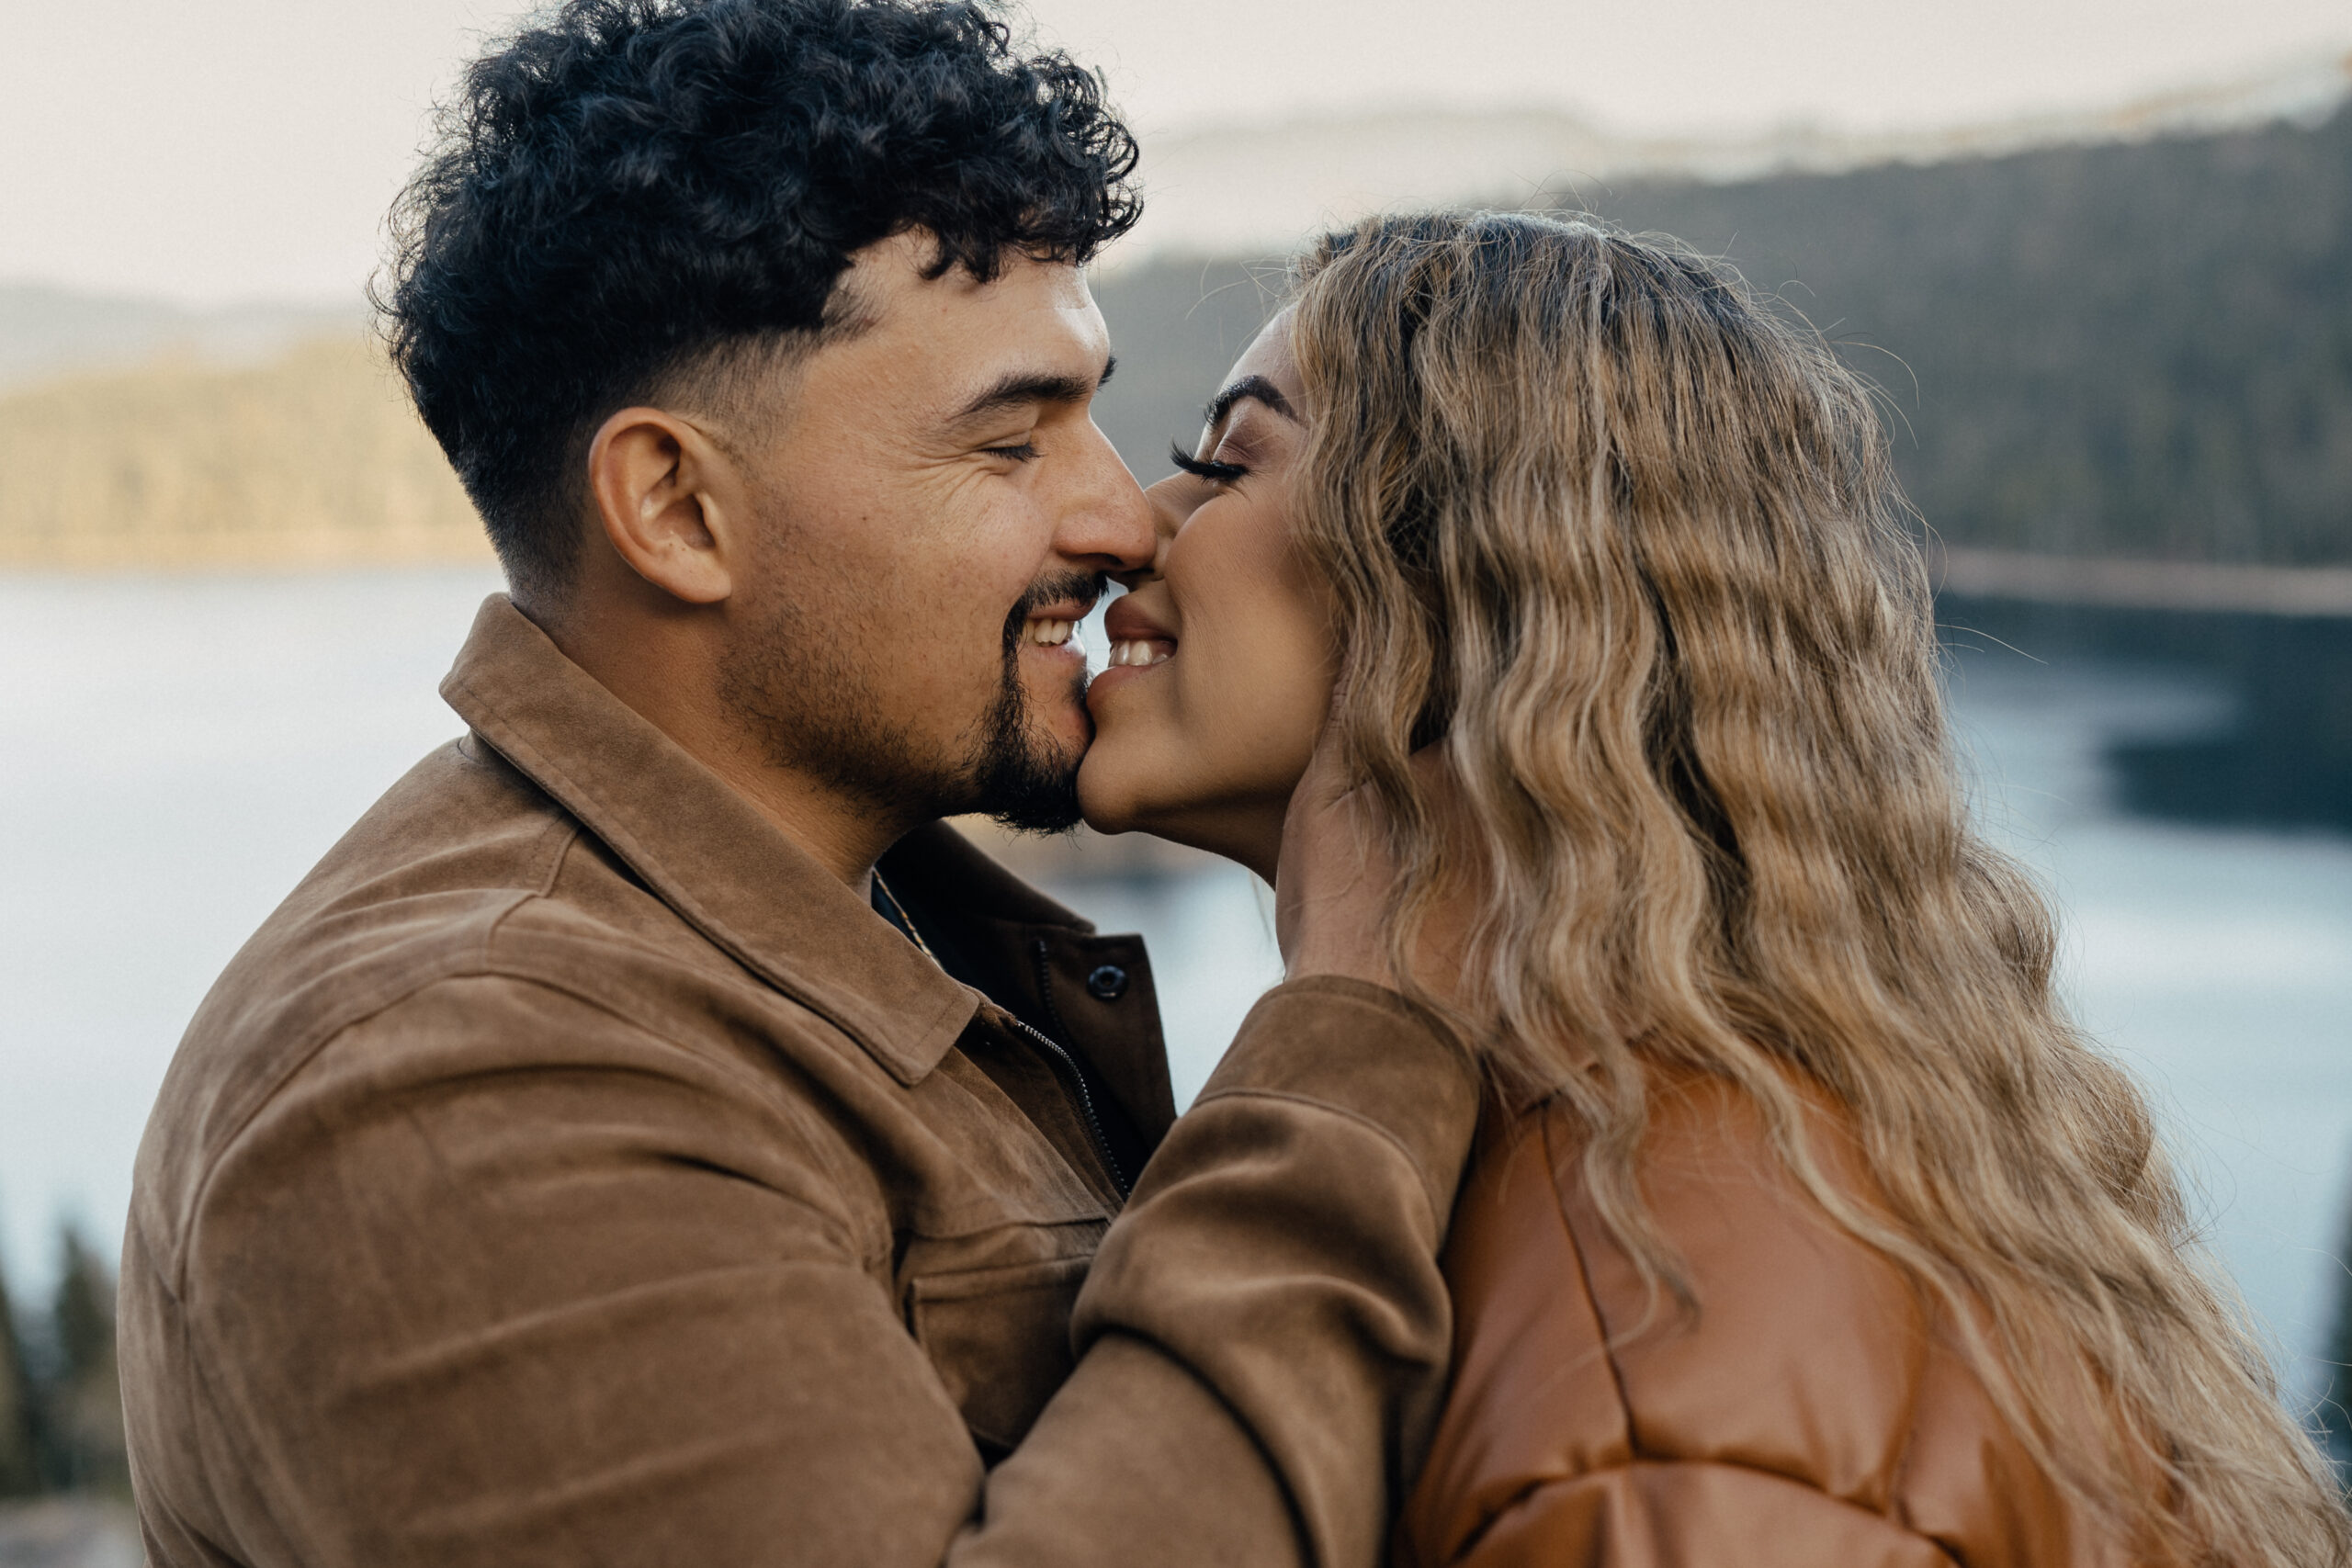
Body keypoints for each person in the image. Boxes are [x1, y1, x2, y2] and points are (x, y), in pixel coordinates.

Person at [117, 6, 1482, 1565]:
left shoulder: (876, 924)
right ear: (678, 508)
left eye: (1093, 413)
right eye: (1010, 440)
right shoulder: (462, 1081)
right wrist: (1363, 1022)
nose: (1123, 518)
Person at [1080, 210, 2352, 1566]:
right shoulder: (1698, 1150)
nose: (1127, 528)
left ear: (1473, 597)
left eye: (1223, 464)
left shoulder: (1643, 1372)